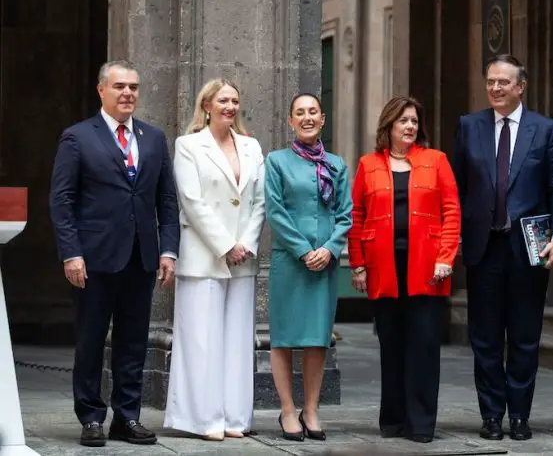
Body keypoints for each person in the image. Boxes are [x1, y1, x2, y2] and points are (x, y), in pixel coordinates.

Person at [49, 60, 179, 447]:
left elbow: (166, 200)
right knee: (90, 339)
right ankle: (91, 417)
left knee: (134, 342)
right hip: (93, 259)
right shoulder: (77, 137)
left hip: (141, 258)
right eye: (120, 86)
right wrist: (71, 253)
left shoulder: (153, 138)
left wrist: (168, 250)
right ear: (101, 90)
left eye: (134, 87)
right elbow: (62, 200)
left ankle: (127, 416)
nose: (128, 94)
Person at [452, 54, 553, 441]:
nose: (496, 88)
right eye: (490, 82)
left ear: (521, 86)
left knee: (523, 336)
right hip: (484, 247)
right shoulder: (469, 127)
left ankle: (519, 415)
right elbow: (459, 189)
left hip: (528, 249)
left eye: (504, 82)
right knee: (484, 337)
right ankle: (491, 415)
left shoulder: (546, 129)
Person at [347, 96, 460, 443]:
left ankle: (421, 423)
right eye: (402, 121)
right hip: (384, 267)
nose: (409, 126)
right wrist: (358, 264)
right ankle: (393, 421)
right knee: (391, 345)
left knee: (424, 346)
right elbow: (356, 216)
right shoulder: (368, 164)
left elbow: (451, 212)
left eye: (413, 121)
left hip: (427, 268)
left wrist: (446, 256)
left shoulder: (436, 160)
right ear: (389, 127)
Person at [163, 79, 265, 440]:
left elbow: (259, 201)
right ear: (206, 105)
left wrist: (246, 243)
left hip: (243, 259)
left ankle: (235, 419)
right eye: (223, 100)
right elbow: (192, 201)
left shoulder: (252, 146)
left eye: (235, 100)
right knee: (201, 340)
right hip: (204, 256)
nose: (230, 106)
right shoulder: (188, 145)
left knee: (238, 341)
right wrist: (226, 245)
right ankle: (203, 419)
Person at [264, 93, 352, 442]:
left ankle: (311, 409)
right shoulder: (277, 161)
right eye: (299, 113)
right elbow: (275, 211)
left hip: (325, 264)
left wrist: (329, 250)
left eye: (312, 112)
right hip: (290, 262)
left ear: (323, 118)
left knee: (317, 339)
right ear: (290, 121)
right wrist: (304, 251)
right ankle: (287, 410)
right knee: (283, 339)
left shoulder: (337, 165)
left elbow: (345, 215)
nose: (307, 118)